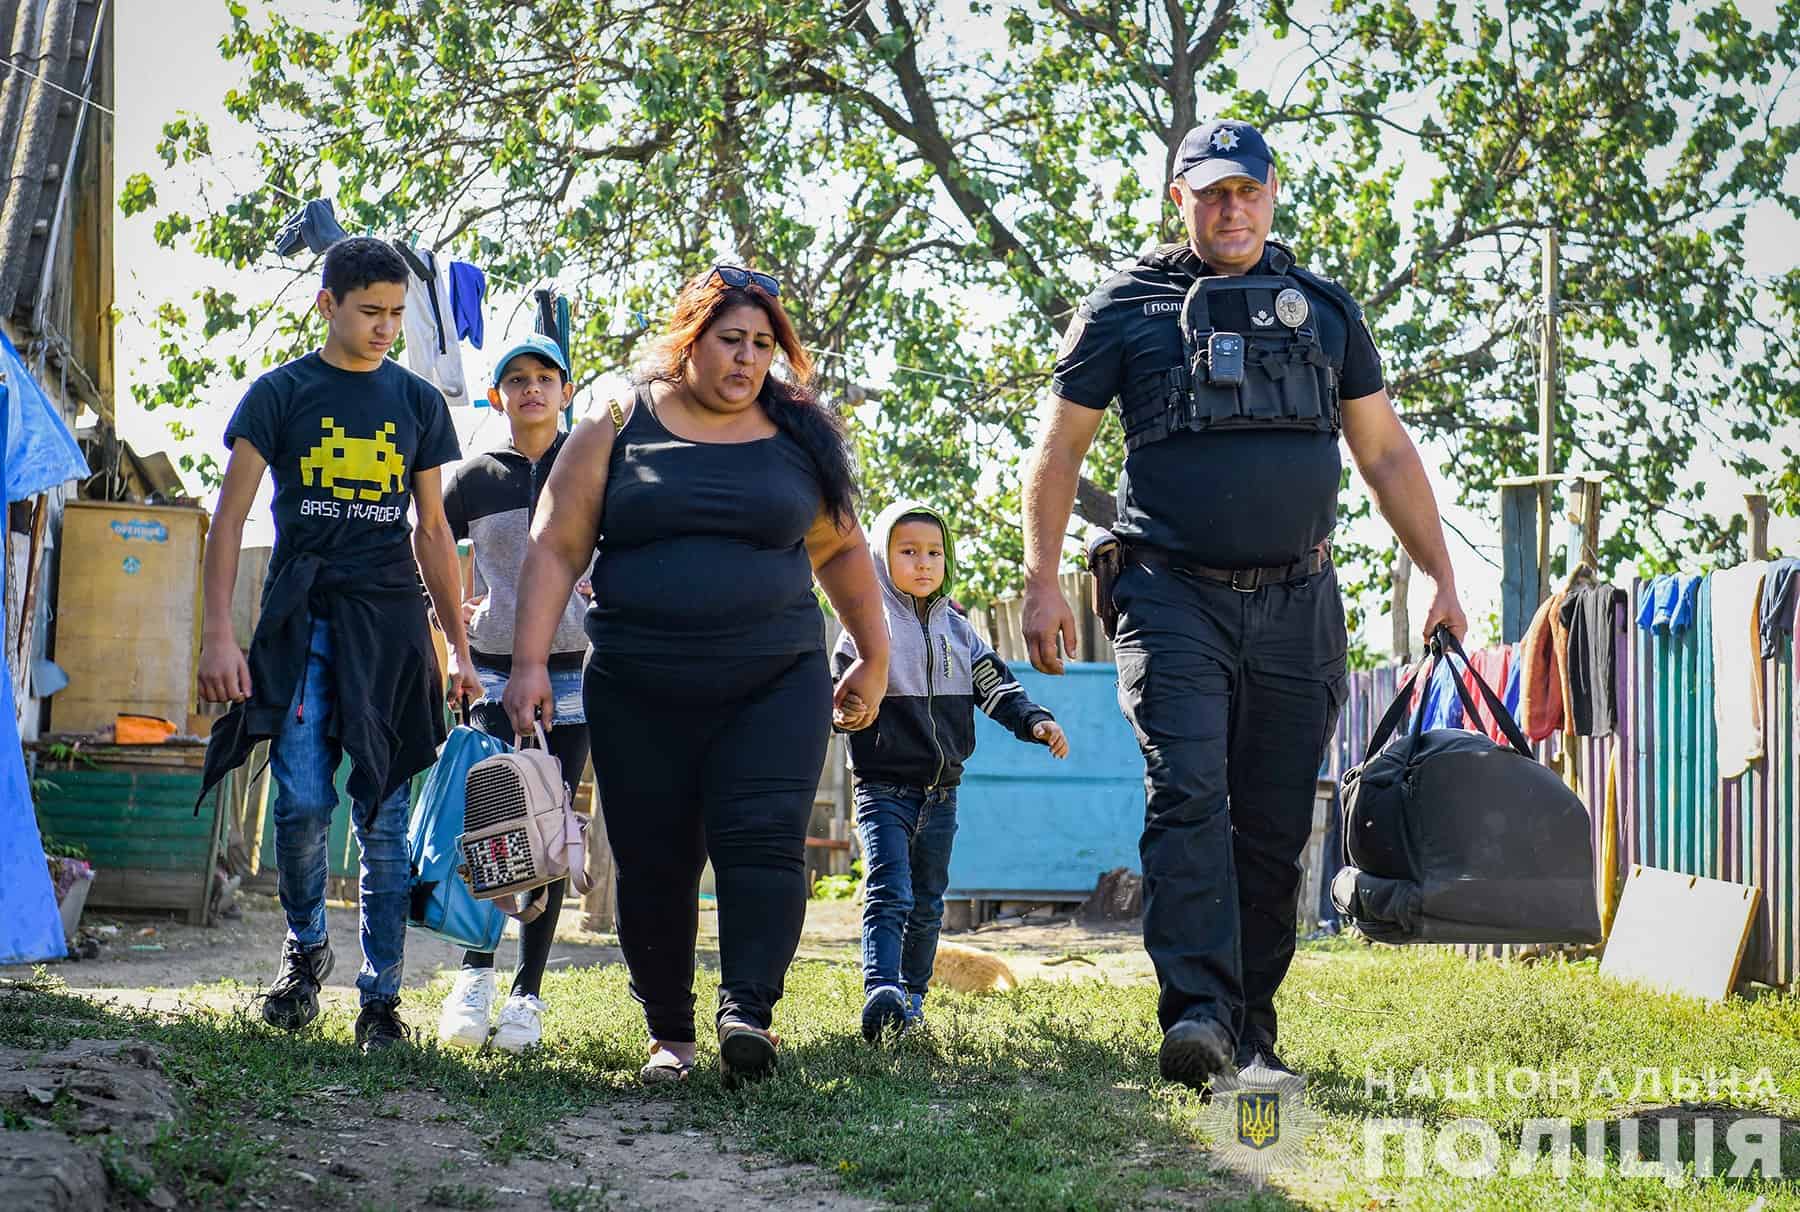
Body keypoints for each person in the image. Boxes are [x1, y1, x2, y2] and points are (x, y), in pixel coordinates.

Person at [1020, 119, 1468, 1089]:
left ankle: (1251, 1029)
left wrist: (1440, 574)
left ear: (1272, 195)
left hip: (1297, 601)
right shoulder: (1123, 310)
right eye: (1210, 192)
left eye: (1247, 190)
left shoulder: (1325, 310)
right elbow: (1059, 452)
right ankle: (1197, 1018)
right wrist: (1043, 576)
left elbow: (1384, 453)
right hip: (1167, 594)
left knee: (1271, 825)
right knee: (1187, 795)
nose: (1231, 208)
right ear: (1176, 199)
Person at [504, 264, 890, 1086]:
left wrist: (875, 655)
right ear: (689, 340)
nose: (747, 361)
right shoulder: (615, 419)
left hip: (774, 679)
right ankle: (671, 1037)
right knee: (653, 857)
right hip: (640, 684)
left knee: (764, 842)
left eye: (763, 345)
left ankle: (748, 1011)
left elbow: (842, 550)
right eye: (730, 342)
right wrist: (531, 662)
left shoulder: (800, 434)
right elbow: (556, 545)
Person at [197, 236, 480, 1054]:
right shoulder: (279, 395)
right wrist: (221, 633)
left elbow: (431, 529)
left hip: (388, 626)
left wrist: (457, 648)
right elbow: (228, 521)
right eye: (371, 313)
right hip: (299, 622)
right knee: (302, 801)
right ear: (327, 305)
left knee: (386, 817)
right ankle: (305, 946)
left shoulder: (419, 402)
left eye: (397, 313)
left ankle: (381, 997)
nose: (387, 328)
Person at [836, 501, 1069, 1041]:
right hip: (882, 788)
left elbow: (998, 687)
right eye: (908, 551)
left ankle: (912, 998)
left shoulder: (961, 632)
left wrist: (1034, 721)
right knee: (888, 888)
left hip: (942, 794)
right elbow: (841, 688)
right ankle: (881, 989)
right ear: (879, 558)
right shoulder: (867, 627)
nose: (923, 563)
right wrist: (846, 710)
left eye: (934, 552)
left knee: (928, 898)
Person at [434, 334, 593, 1053]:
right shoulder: (475, 476)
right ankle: (474, 975)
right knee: (493, 825)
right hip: (494, 672)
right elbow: (428, 550)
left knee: (549, 831)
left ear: (565, 392)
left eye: (545, 378)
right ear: (498, 395)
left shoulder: (592, 468)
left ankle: (527, 995)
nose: (531, 389)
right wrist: (455, 643)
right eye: (516, 380)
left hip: (579, 675)